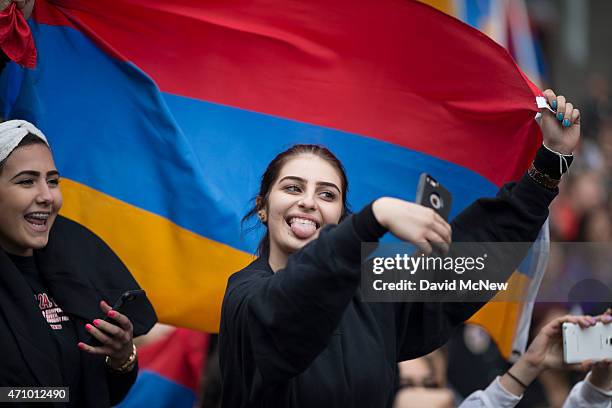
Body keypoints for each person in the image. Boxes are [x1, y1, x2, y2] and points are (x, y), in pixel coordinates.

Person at [219, 89, 581, 407]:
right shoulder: (244, 296)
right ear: (263, 207)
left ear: (339, 219)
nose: (309, 202)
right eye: (293, 188)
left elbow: (470, 260)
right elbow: (289, 311)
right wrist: (373, 219)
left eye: (326, 194)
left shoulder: (373, 296)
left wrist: (550, 161)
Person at [0, 120, 157, 407]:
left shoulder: (77, 271)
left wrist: (121, 356)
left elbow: (102, 389)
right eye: (26, 181)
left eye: (52, 181)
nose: (47, 196)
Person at [460, 312, 612, 408]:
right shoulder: (529, 395)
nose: (563, 343)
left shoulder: (579, 383)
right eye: (563, 334)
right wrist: (530, 364)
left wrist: (599, 382)